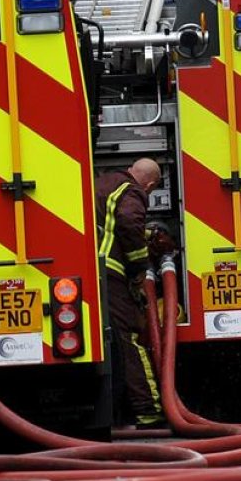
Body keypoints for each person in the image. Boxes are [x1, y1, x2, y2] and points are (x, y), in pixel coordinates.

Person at [95, 158, 166, 428]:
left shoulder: (104, 183)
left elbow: (111, 223)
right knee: (130, 339)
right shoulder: (132, 191)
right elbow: (126, 220)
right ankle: (148, 410)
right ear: (149, 185)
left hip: (90, 273)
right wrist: (140, 266)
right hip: (111, 274)